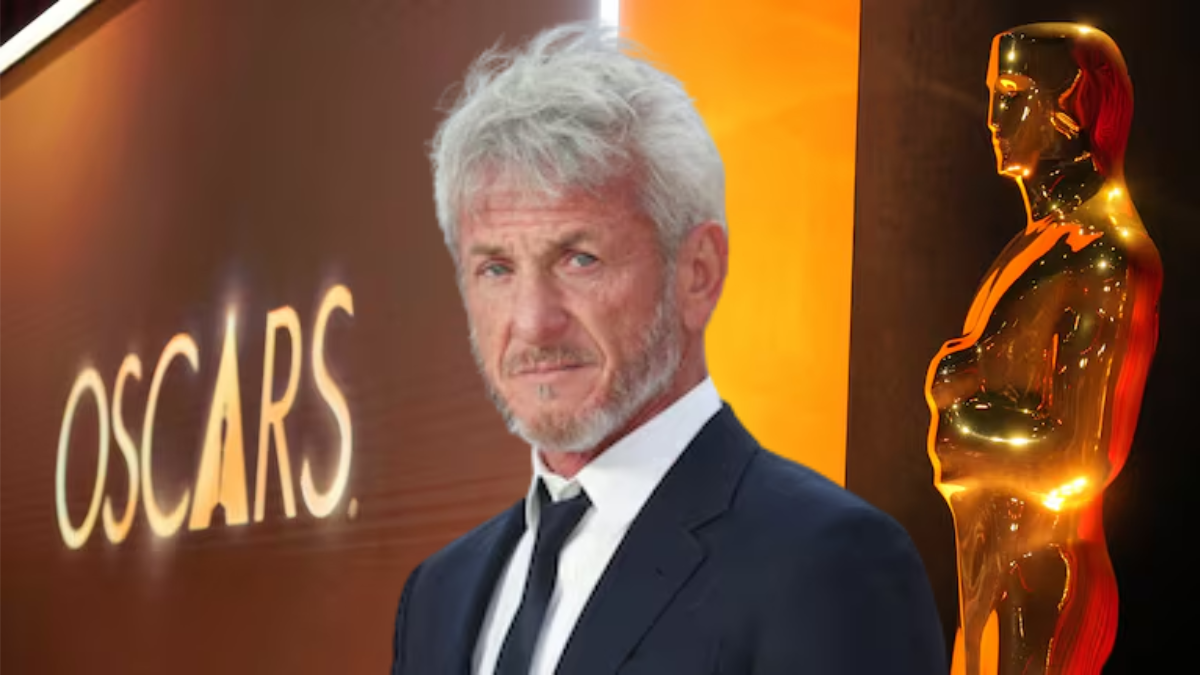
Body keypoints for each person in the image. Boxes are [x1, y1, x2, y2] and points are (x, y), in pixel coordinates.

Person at [392, 22, 946, 674]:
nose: (534, 322)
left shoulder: (829, 564)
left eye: (579, 258)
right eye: (496, 268)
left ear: (698, 273)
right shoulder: (438, 594)